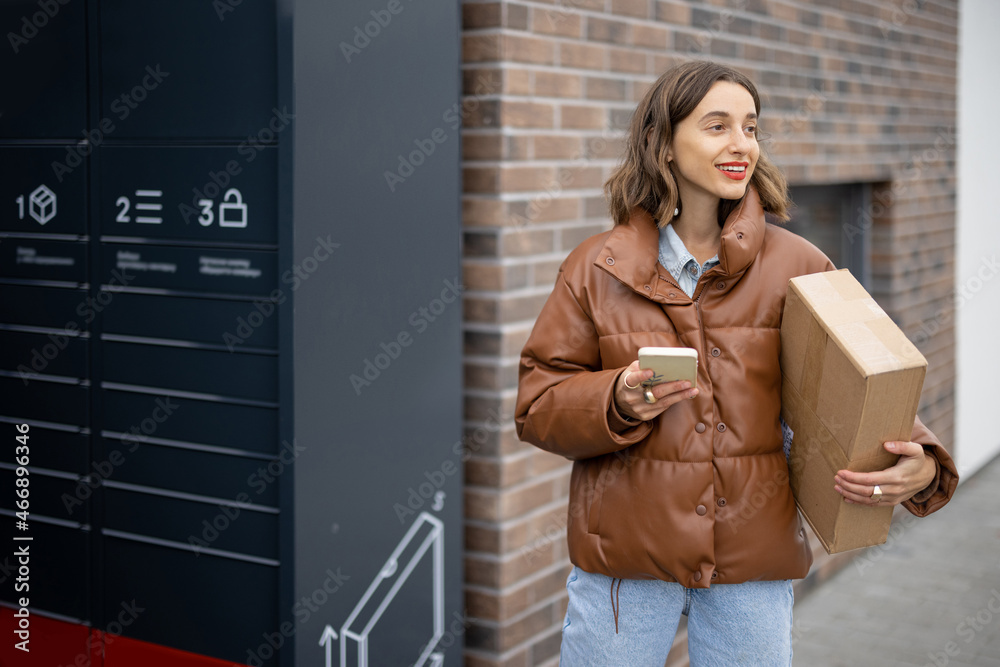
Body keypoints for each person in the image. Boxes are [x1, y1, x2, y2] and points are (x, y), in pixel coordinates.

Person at [514, 61, 958, 666]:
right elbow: (537, 404)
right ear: (663, 144)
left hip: (752, 559)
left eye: (750, 128)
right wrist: (615, 398)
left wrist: (924, 465)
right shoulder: (595, 267)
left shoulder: (798, 263)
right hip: (626, 562)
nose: (741, 144)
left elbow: (859, 377)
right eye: (717, 125)